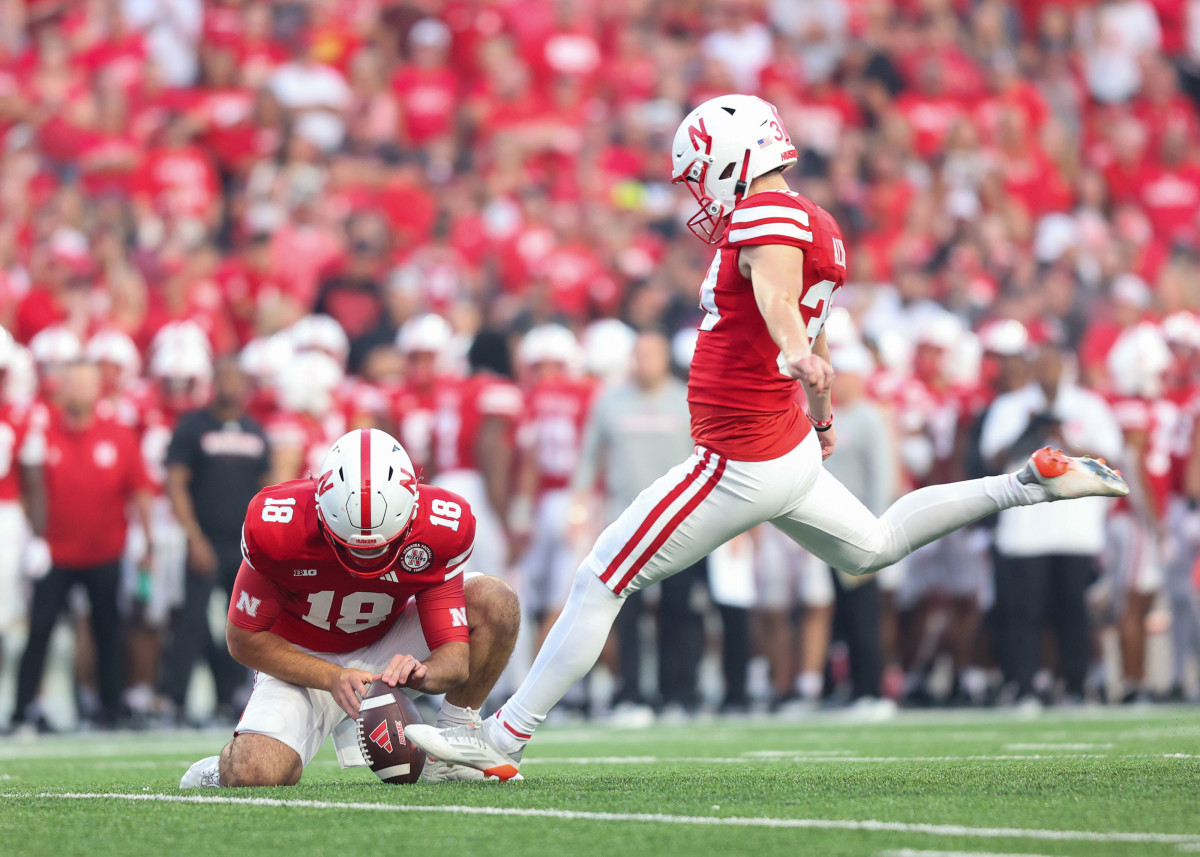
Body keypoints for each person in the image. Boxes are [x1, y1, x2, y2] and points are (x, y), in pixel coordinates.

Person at [386, 95, 1126, 778]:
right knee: (870, 547)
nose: (698, 194)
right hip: (785, 440)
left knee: (600, 576)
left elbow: (778, 297)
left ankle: (502, 736)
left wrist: (794, 350)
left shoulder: (766, 219)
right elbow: (809, 320)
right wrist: (821, 405)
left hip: (738, 453)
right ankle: (1023, 482)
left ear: (732, 159)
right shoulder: (820, 225)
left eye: (699, 175)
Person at [179, 428, 521, 788]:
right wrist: (330, 676)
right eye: (351, 546)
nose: (368, 560)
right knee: (253, 773)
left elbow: (455, 657)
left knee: (495, 602)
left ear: (412, 510)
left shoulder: (440, 526)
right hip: (301, 655)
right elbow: (243, 637)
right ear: (321, 509)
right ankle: (220, 769)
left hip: (388, 639)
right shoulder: (279, 527)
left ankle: (452, 744)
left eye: (382, 546)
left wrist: (424, 672)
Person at [979, 325, 1124, 703]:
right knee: (1023, 612)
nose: (1047, 371)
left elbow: (1111, 460)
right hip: (1024, 529)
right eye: (1040, 364)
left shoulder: (1089, 406)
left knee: (1072, 611)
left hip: (1075, 527)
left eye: (1053, 363)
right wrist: (1029, 431)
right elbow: (991, 459)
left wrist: (1066, 439)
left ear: (1066, 365)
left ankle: (1075, 684)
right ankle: (1024, 684)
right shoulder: (1011, 407)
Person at [13, 360, 153, 730]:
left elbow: (140, 490)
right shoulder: (42, 433)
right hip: (54, 552)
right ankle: (22, 708)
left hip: (104, 550)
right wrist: (34, 537)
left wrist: (146, 540)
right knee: (39, 629)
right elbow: (28, 488)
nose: (79, 391)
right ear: (61, 388)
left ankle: (112, 708)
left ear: (98, 389)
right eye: (73, 383)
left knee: (109, 629)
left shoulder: (119, 434)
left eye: (86, 383)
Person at [159, 357, 271, 723]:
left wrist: (262, 545)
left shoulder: (256, 432)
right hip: (205, 539)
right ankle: (175, 699)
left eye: (237, 378)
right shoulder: (194, 427)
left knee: (244, 623)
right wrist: (193, 537)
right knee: (191, 621)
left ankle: (232, 697)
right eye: (225, 377)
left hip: (244, 546)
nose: (231, 386)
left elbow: (267, 492)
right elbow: (176, 482)